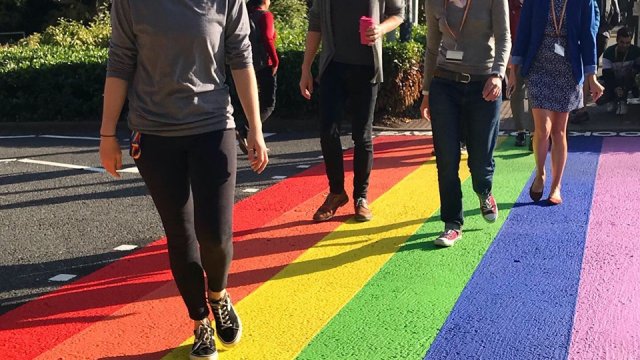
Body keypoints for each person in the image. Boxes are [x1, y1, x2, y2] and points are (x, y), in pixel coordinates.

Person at [99, 1, 269, 359]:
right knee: (180, 234)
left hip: (212, 127)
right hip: (154, 133)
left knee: (216, 234)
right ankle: (199, 322)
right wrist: (106, 135)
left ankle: (219, 295)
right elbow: (120, 62)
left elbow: (240, 58)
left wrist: (255, 127)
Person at [299, 0, 404, 223]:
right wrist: (306, 67)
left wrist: (380, 29)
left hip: (366, 68)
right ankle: (337, 192)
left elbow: (397, 14)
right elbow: (315, 23)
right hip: (332, 67)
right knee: (327, 132)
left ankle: (361, 198)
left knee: (362, 135)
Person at [420, 0, 511, 247]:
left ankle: (484, 191)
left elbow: (504, 38)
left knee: (480, 162)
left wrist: (497, 74)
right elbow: (431, 46)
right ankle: (452, 224)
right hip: (444, 84)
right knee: (446, 159)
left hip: (484, 86)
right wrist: (426, 91)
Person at [511, 0, 604, 205]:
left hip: (568, 69)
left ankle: (556, 186)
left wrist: (592, 76)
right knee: (542, 128)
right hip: (538, 68)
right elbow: (523, 31)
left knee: (559, 131)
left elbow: (588, 37)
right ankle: (540, 172)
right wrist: (513, 68)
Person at [235, 0, 279, 155]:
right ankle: (247, 128)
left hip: (247, 63)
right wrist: (275, 60)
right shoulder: (265, 15)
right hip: (264, 62)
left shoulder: (246, 14)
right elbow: (268, 38)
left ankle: (250, 132)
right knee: (268, 103)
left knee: (253, 98)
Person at [507, 0, 532, 149]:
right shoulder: (508, 4)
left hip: (534, 54)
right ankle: (520, 131)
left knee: (534, 94)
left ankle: (535, 133)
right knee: (516, 92)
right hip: (514, 53)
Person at [598, 26, 640, 115]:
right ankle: (612, 99)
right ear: (617, 40)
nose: (625, 45)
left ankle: (623, 101)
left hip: (628, 80)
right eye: (622, 42)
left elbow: (637, 69)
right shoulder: (609, 52)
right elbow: (607, 74)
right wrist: (615, 87)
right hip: (613, 79)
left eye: (627, 43)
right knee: (600, 96)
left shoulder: (636, 51)